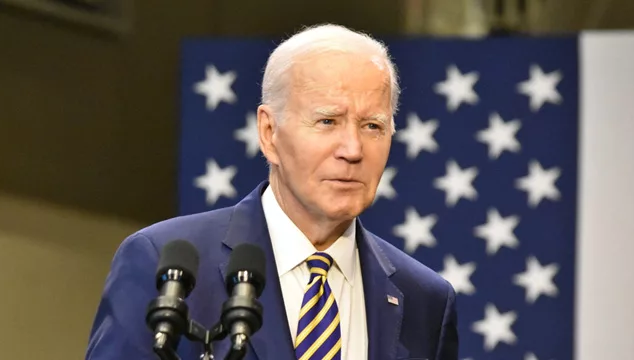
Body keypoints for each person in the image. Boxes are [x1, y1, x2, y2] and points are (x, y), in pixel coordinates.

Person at [85, 23, 458, 360]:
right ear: (269, 133)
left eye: (372, 126)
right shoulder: (165, 265)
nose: (353, 149)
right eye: (327, 121)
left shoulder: (425, 300)